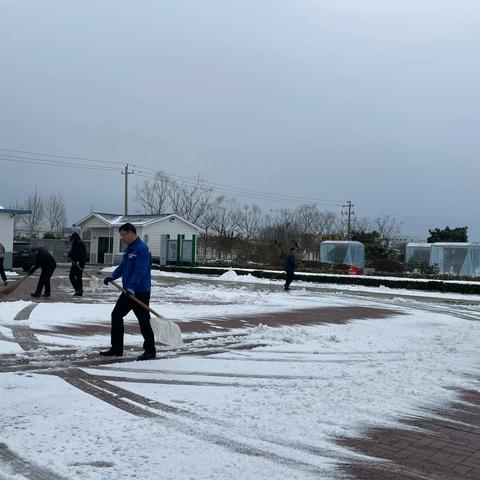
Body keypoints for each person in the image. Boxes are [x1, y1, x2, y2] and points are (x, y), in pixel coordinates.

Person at [101, 223, 155, 361]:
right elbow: (123, 266)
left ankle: (150, 351)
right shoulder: (130, 249)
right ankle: (116, 349)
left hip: (140, 292)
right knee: (116, 315)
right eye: (121, 235)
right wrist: (113, 276)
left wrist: (132, 287)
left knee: (144, 321)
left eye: (123, 234)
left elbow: (140, 271)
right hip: (128, 292)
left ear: (131, 233)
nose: (122, 238)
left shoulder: (142, 249)